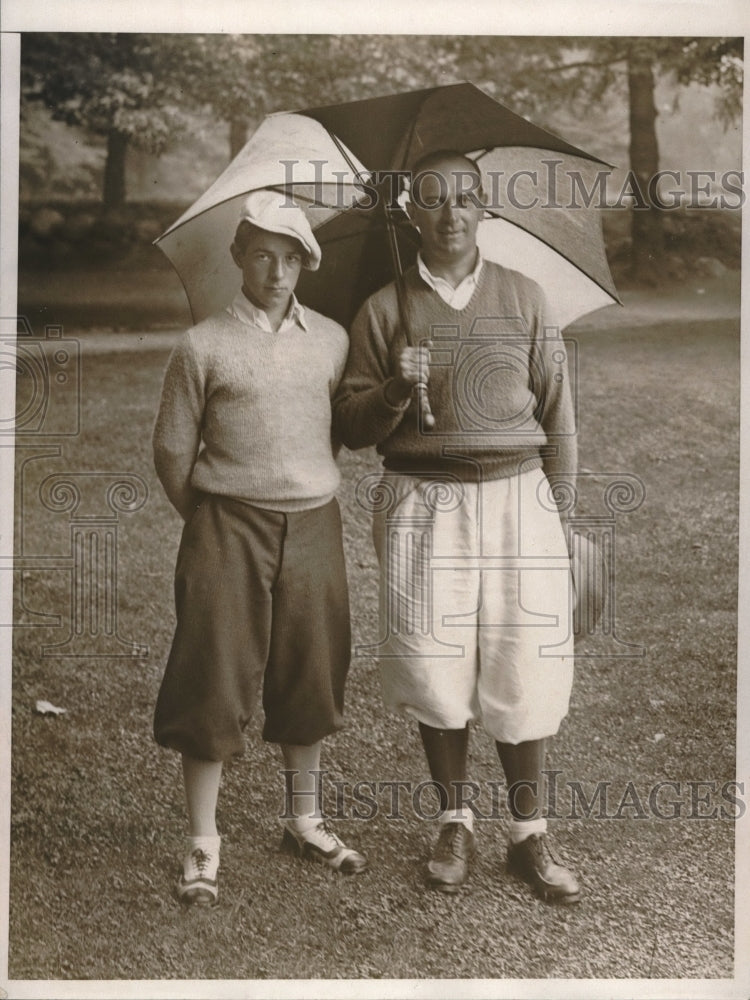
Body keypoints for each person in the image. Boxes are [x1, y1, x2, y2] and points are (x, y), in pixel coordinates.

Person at [333, 151, 580, 903]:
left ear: (485, 209)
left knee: (524, 660)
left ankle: (529, 835)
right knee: (432, 662)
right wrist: (395, 390)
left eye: (465, 199)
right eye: (434, 200)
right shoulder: (384, 308)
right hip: (423, 500)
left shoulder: (525, 297)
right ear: (412, 213)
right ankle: (454, 818)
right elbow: (347, 425)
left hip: (517, 498)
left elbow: (560, 415)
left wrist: (561, 520)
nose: (450, 215)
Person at [152, 190, 367, 907]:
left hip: (313, 521)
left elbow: (333, 432)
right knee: (213, 668)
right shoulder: (203, 343)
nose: (277, 272)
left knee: (312, 665)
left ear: (307, 263)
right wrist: (214, 517)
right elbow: (172, 450)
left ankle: (304, 820)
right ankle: (203, 841)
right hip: (226, 524)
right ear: (240, 256)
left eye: (291, 258)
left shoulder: (333, 339)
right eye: (263, 256)